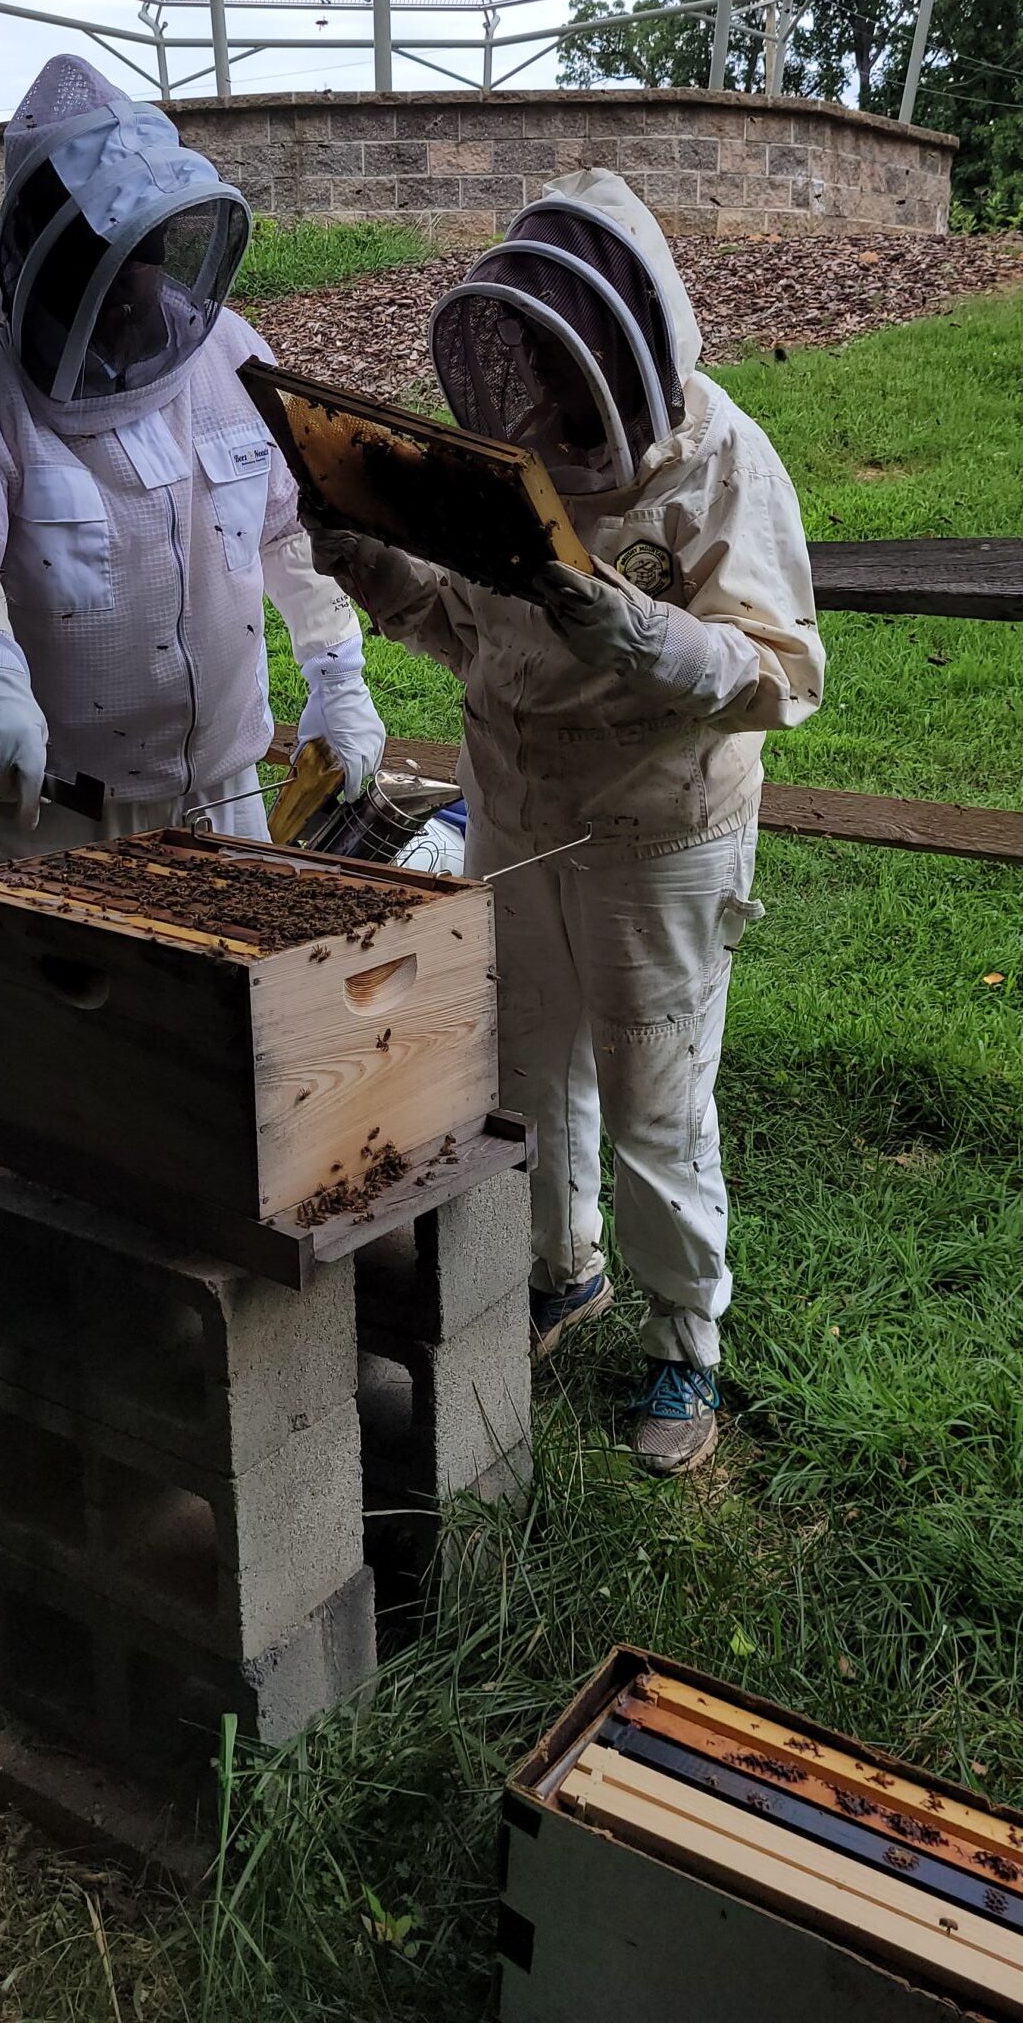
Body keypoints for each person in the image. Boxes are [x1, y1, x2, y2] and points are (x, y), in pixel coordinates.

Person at [307, 170, 824, 1476]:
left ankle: (682, 1345)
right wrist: (368, 563)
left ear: (636, 351)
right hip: (513, 810)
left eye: (569, 365)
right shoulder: (509, 459)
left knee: (654, 1092)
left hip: (657, 831)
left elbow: (781, 677)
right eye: (534, 363)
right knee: (525, 1075)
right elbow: (462, 634)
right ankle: (561, 1268)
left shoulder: (718, 463)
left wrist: (644, 635)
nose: (549, 393)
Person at [0, 55, 385, 864]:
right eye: (100, 265)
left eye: (144, 257)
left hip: (228, 789)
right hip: (66, 815)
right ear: (47, 263)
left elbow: (287, 531)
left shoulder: (232, 352)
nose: (129, 288)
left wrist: (337, 676)